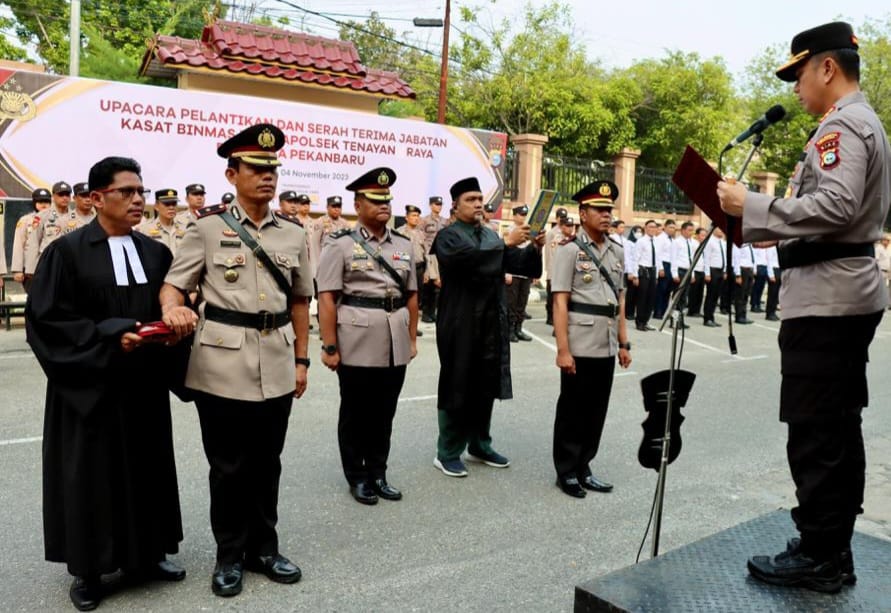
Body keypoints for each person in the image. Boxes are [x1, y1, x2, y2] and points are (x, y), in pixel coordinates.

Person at [717, 21, 890, 594]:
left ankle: (823, 556)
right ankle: (826, 541)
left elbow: (837, 207)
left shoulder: (843, 126)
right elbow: (828, 214)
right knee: (832, 428)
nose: (794, 88)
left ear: (825, 67)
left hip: (829, 299)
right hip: (833, 289)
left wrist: (755, 202)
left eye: (797, 74)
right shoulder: (855, 124)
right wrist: (758, 223)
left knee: (818, 431)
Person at [26, 157, 186, 612]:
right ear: (97, 198)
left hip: (144, 386)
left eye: (142, 191)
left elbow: (172, 306)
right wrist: (111, 332)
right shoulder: (67, 252)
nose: (139, 200)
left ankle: (149, 555)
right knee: (90, 477)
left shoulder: (156, 253)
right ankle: (90, 570)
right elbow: (48, 320)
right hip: (89, 385)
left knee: (147, 467)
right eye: (127, 192)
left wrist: (170, 329)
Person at [161, 123, 312, 598]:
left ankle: (263, 549)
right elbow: (174, 283)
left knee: (268, 462)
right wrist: (171, 308)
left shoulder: (292, 234)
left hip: (279, 357)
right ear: (232, 174)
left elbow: (302, 301)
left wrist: (303, 360)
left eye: (272, 170)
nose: (267, 177)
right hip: (221, 363)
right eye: (256, 169)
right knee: (228, 467)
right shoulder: (207, 229)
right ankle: (229, 555)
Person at [317, 168, 419, 505]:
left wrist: (413, 339)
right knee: (356, 412)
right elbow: (328, 297)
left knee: (384, 411)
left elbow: (412, 295)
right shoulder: (340, 244)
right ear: (358, 205)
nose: (384, 206)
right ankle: (357, 475)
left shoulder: (404, 243)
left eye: (387, 200)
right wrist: (329, 345)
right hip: (356, 339)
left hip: (395, 339)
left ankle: (378, 472)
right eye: (375, 201)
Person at [430, 177, 543, 477]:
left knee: (484, 384)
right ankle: (448, 451)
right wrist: (506, 243)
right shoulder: (447, 237)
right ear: (455, 205)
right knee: (457, 384)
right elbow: (467, 262)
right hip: (460, 322)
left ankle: (480, 444)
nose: (478, 204)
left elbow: (520, 266)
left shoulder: (490, 236)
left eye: (481, 199)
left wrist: (534, 248)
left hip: (491, 322)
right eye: (471, 199)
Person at [551, 180, 631, 498]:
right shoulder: (569, 250)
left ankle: (585, 466)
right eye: (599, 209)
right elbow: (559, 301)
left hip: (607, 342)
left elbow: (620, 301)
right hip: (580, 340)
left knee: (597, 409)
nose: (606, 215)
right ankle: (566, 471)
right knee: (573, 409)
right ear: (583, 213)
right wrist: (562, 350)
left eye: (609, 209)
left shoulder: (617, 251)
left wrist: (624, 343)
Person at [10, 188, 52, 291]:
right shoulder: (25, 221)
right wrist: (17, 270)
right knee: (34, 300)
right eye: (40, 201)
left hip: (52, 267)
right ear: (34, 203)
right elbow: (19, 245)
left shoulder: (58, 219)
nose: (44, 205)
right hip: (31, 270)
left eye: (46, 202)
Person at [504, 204, 533, 342]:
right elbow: (504, 253)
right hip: (512, 273)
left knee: (522, 302)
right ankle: (509, 330)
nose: (523, 217)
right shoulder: (509, 231)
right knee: (512, 303)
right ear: (514, 215)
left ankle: (518, 329)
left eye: (524, 214)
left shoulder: (529, 231)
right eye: (521, 214)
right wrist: (505, 272)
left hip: (526, 272)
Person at [397, 204, 427, 337]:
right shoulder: (399, 232)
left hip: (419, 268)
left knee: (417, 298)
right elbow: (396, 252)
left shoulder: (421, 233)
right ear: (406, 217)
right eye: (413, 216)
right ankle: (402, 325)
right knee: (403, 297)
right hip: (405, 268)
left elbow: (426, 254)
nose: (416, 218)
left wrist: (427, 272)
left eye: (417, 216)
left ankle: (413, 326)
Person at [420, 195, 447, 322]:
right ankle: (426, 312)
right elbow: (421, 236)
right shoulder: (424, 220)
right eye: (436, 204)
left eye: (440, 204)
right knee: (428, 285)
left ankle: (432, 311)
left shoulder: (445, 221)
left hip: (440, 255)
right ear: (431, 205)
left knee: (437, 285)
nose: (439, 207)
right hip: (428, 254)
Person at [629, 220, 659, 331]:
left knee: (651, 298)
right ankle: (639, 322)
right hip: (643, 270)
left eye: (655, 227)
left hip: (653, 270)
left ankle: (646, 321)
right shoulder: (641, 241)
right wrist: (635, 275)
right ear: (645, 228)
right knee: (642, 297)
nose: (653, 229)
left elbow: (658, 258)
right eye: (650, 227)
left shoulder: (656, 241)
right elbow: (635, 259)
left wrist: (656, 276)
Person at [136, 189, 187, 254]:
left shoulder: (185, 228)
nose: (171, 207)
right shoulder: (145, 229)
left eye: (174, 204)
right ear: (156, 206)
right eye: (167, 204)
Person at [668, 221, 696, 328]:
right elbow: (673, 258)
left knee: (684, 299)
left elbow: (692, 259)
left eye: (692, 230)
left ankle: (681, 321)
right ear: (683, 230)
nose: (691, 232)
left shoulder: (691, 242)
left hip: (688, 271)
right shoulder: (677, 242)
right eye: (689, 230)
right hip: (680, 271)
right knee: (677, 298)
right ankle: (674, 321)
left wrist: (692, 274)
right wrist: (674, 274)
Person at [543, 208, 569, 325]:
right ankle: (550, 317)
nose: (562, 220)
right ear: (557, 218)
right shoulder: (552, 233)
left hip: (563, 269)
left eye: (564, 217)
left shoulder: (567, 233)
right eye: (561, 218)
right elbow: (549, 252)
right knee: (551, 296)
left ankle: (557, 317)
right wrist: (549, 269)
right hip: (553, 268)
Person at [702, 226, 728, 327]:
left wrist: (725, 271)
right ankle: (707, 318)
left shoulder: (722, 242)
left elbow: (724, 258)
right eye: (720, 229)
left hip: (720, 270)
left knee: (716, 295)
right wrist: (707, 273)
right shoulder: (710, 242)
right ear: (714, 230)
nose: (721, 231)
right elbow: (707, 258)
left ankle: (712, 317)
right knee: (710, 295)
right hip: (713, 270)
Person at [653, 219, 675, 319]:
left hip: (671, 265)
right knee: (661, 290)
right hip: (663, 265)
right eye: (670, 227)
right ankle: (657, 312)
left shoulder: (673, 240)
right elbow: (658, 254)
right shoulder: (660, 238)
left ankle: (663, 311)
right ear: (664, 227)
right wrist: (660, 268)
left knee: (667, 291)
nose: (672, 229)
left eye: (674, 228)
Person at [731, 243, 756, 324]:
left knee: (746, 294)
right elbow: (736, 259)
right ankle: (739, 316)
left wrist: (753, 272)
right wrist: (738, 274)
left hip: (749, 270)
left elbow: (753, 259)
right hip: (742, 270)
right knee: (740, 295)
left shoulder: (750, 245)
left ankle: (743, 315)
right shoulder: (738, 244)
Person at [687, 227, 708, 317]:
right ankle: (691, 310)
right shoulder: (694, 245)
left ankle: (697, 310)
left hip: (702, 270)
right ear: (697, 235)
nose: (704, 237)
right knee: (693, 292)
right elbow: (691, 259)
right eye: (702, 235)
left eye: (705, 235)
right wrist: (691, 273)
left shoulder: (705, 245)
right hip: (695, 270)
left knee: (700, 292)